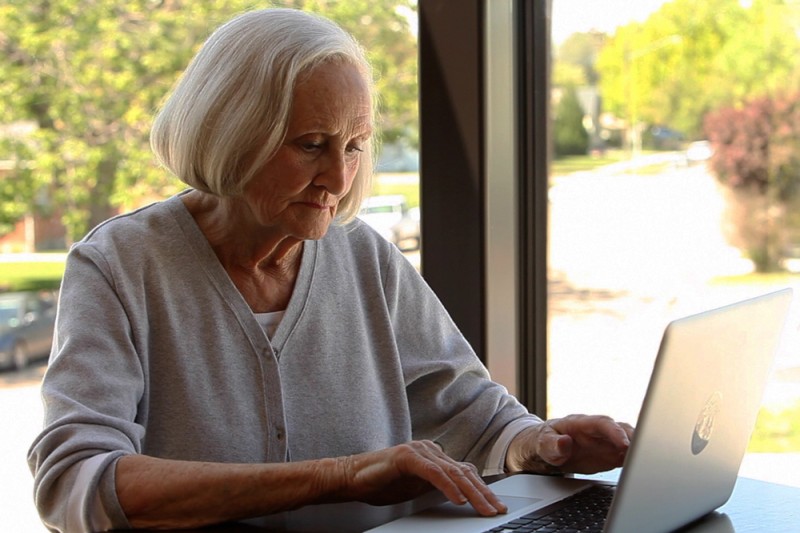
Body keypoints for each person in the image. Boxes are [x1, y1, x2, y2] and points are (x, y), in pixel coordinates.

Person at [28, 8, 633, 532]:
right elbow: (75, 481)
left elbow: (472, 416)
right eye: (311, 144)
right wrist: (340, 477)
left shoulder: (364, 255)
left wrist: (542, 445)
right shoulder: (119, 265)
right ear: (231, 132)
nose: (339, 180)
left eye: (354, 146)